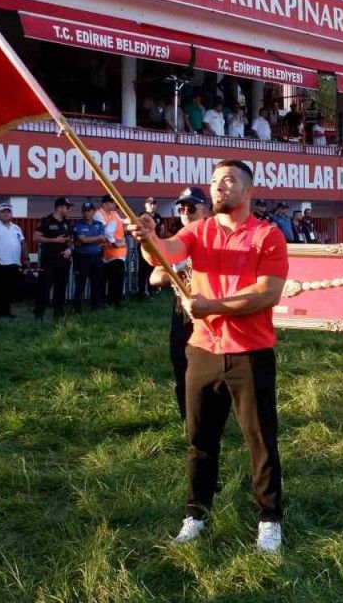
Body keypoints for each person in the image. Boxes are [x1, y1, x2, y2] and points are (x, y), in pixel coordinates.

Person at [128, 160, 288, 553]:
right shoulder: (198, 230)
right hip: (202, 351)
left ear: (248, 190)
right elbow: (164, 255)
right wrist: (148, 238)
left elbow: (268, 293)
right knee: (199, 437)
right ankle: (195, 514)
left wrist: (212, 305)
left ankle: (269, 519)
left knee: (260, 439)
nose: (219, 186)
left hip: (250, 352)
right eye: (215, 181)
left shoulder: (268, 235)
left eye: (229, 180)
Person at [149, 187, 208, 420]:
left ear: (206, 210)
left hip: (212, 310)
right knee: (181, 364)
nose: (185, 213)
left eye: (191, 208)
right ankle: (188, 417)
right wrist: (176, 276)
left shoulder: (215, 238)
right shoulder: (176, 241)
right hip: (182, 310)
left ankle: (211, 415)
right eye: (181, 208)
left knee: (211, 368)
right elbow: (154, 276)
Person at [32, 198, 74, 320]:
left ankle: (58, 313)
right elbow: (36, 237)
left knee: (61, 287)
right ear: (59, 207)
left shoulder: (67, 222)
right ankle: (39, 314)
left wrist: (69, 249)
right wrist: (53, 240)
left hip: (64, 260)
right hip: (49, 259)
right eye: (67, 207)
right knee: (44, 287)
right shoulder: (46, 220)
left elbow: (70, 239)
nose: (69, 210)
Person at [71, 203, 105, 312]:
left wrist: (88, 239)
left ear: (93, 211)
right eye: (84, 211)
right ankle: (77, 309)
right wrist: (97, 238)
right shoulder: (78, 225)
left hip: (96, 257)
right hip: (81, 258)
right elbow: (83, 239)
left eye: (89, 211)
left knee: (96, 283)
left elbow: (103, 239)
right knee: (80, 284)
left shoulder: (99, 224)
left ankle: (95, 308)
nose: (86, 213)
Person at [97, 195, 128, 308]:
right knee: (106, 280)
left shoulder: (114, 214)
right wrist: (115, 243)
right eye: (112, 202)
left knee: (115, 280)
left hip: (116, 253)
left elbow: (122, 222)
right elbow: (106, 232)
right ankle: (109, 302)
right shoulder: (98, 215)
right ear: (105, 204)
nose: (114, 205)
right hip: (108, 252)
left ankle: (113, 301)